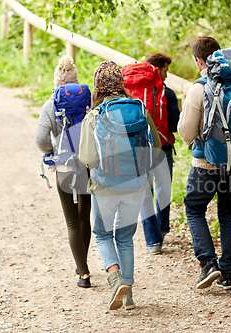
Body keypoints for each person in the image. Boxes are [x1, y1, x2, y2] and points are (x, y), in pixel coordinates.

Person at [78, 61, 161, 310]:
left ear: (98, 87)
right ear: (120, 84)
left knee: (103, 234)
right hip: (136, 184)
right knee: (125, 237)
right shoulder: (140, 109)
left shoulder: (94, 116)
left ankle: (115, 280)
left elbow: (88, 158)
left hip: (105, 186)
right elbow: (155, 147)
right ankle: (129, 296)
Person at [177, 37, 231, 290]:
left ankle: (208, 264)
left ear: (198, 61)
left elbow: (185, 133)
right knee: (228, 214)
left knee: (194, 208)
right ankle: (227, 274)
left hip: (206, 165)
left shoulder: (199, 88)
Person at [35, 55, 92, 288]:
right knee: (84, 217)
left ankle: (83, 273)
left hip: (64, 166)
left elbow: (40, 139)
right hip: (87, 165)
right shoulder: (89, 101)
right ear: (75, 81)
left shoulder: (51, 105)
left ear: (56, 81)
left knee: (71, 222)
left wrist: (52, 150)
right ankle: (83, 262)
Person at [139, 52, 180, 254]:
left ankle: (153, 242)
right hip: (162, 149)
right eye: (165, 70)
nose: (167, 75)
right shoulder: (168, 93)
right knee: (163, 191)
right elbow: (174, 124)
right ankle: (162, 229)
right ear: (158, 69)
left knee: (145, 194)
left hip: (137, 150)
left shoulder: (131, 91)